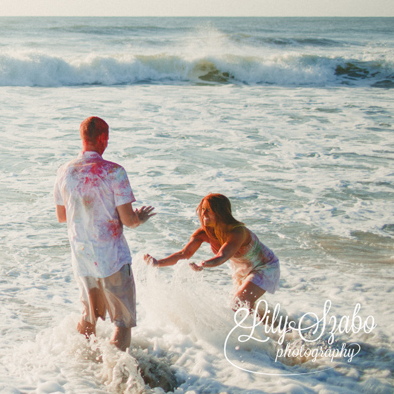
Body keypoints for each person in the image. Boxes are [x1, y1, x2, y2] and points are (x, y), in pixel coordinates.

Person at [54, 116, 155, 351]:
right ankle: (115, 375)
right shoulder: (114, 172)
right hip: (112, 259)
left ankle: (83, 365)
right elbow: (129, 221)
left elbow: (62, 217)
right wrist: (139, 218)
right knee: (122, 323)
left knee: (89, 317)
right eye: (107, 138)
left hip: (82, 258)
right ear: (102, 138)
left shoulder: (64, 172)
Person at [144, 193, 280, 311]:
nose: (203, 213)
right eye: (203, 209)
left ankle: (255, 337)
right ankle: (278, 331)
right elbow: (184, 254)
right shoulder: (203, 233)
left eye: (209, 210)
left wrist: (204, 264)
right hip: (241, 270)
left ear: (221, 212)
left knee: (237, 304)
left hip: (265, 266)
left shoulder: (238, 232)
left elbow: (223, 256)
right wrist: (157, 263)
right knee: (246, 307)